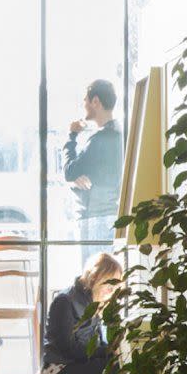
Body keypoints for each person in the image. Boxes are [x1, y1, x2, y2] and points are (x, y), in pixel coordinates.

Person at [40, 253, 123, 374]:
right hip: (57, 373)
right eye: (109, 284)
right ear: (95, 278)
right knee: (112, 370)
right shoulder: (64, 301)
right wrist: (107, 351)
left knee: (118, 369)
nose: (111, 291)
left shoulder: (94, 305)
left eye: (116, 286)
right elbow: (69, 348)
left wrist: (112, 351)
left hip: (77, 369)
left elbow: (95, 346)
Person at [63, 79, 124, 266]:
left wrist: (72, 135)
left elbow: (69, 171)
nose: (84, 104)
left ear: (95, 101)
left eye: (85, 100)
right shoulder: (119, 134)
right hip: (111, 215)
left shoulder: (99, 139)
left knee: (92, 280)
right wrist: (77, 179)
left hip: (96, 218)